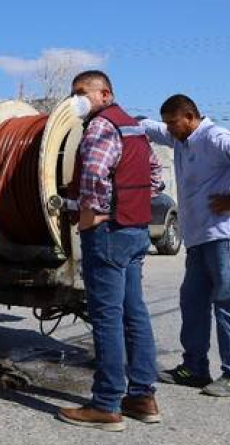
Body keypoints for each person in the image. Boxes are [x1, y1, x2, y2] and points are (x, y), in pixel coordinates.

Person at [142, 95, 230, 398]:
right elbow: (146, 126)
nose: (169, 129)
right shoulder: (180, 138)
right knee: (193, 302)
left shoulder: (215, 137)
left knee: (229, 303)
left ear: (190, 117)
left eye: (173, 123)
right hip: (199, 237)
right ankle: (194, 368)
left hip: (225, 235)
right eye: (167, 124)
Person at [57, 71, 163, 432]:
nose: (76, 100)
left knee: (106, 317)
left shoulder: (100, 126)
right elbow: (155, 177)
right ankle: (142, 397)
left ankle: (105, 404)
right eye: (73, 94)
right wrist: (128, 203)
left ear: (106, 94)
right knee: (134, 314)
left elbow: (93, 176)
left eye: (82, 93)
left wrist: (92, 211)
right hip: (135, 229)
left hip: (108, 233)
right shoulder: (134, 128)